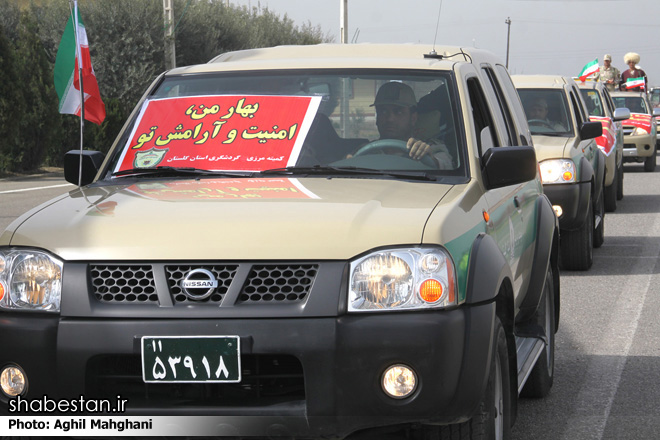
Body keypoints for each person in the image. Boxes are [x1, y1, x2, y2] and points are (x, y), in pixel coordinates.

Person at [351, 81, 452, 168]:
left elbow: (446, 165)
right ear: (377, 118)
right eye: (383, 111)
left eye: (398, 112)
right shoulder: (364, 151)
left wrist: (429, 159)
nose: (390, 119)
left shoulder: (430, 148)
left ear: (413, 118)